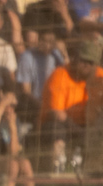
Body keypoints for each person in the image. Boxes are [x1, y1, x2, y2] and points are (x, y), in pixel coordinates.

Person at [39, 34, 99, 170]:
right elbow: (57, 114)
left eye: (91, 62)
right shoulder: (60, 76)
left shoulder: (99, 76)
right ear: (75, 60)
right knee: (56, 127)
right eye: (83, 61)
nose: (86, 66)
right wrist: (83, 133)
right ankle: (57, 168)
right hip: (62, 125)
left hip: (89, 126)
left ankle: (95, 172)